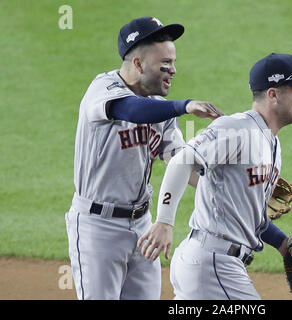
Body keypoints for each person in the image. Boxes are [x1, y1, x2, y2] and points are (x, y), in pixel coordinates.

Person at [137, 53, 292, 299]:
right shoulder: (237, 129)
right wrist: (164, 221)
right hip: (212, 264)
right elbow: (182, 160)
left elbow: (248, 214)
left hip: (214, 264)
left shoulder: (272, 144)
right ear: (273, 94)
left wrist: (283, 244)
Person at [65, 16, 223, 300]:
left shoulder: (158, 108)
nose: (173, 71)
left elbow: (181, 161)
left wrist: (227, 189)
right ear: (138, 64)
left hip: (143, 227)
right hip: (97, 227)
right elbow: (131, 111)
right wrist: (184, 106)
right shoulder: (102, 90)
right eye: (165, 64)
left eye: (173, 63)